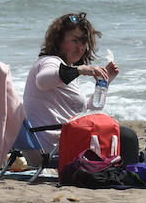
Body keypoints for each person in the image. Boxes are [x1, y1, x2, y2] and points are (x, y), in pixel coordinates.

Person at [21, 12, 138, 159]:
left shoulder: (65, 70)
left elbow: (89, 111)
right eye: (75, 41)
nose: (80, 47)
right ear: (58, 41)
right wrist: (80, 69)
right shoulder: (50, 62)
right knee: (128, 137)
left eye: (83, 42)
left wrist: (104, 84)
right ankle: (130, 179)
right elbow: (42, 80)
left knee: (121, 135)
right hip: (52, 145)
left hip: (59, 139)